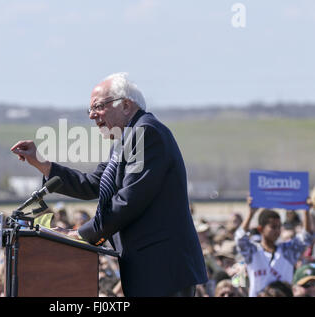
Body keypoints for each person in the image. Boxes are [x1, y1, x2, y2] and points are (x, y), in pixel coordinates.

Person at [11, 72, 207, 296]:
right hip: (150, 270)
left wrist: (81, 233)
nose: (93, 116)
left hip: (164, 269)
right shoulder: (125, 139)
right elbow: (93, 184)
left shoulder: (146, 133)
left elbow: (129, 200)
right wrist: (43, 164)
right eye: (90, 110)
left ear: (125, 105)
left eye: (99, 106)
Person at [235, 196, 314, 297]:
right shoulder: (253, 252)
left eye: (279, 227)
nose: (277, 231)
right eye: (273, 227)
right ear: (260, 229)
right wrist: (251, 213)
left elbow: (306, 237)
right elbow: (240, 239)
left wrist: (306, 211)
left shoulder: (287, 251)